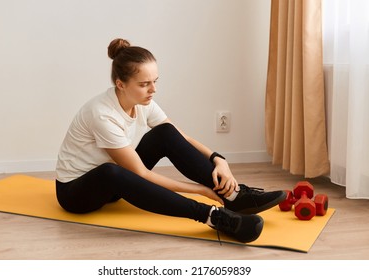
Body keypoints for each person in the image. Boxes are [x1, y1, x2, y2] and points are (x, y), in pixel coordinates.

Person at [55, 38, 286, 244]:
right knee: (110, 172)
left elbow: (179, 136)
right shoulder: (102, 114)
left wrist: (219, 160)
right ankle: (212, 216)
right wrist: (199, 191)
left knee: (164, 132)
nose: (153, 90)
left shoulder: (142, 102)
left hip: (117, 185)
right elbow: (141, 174)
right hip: (77, 193)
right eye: (144, 84)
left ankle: (234, 196)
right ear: (121, 84)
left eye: (155, 81)